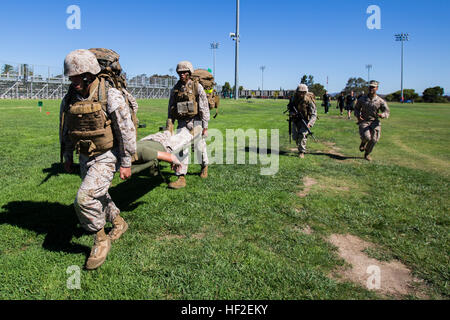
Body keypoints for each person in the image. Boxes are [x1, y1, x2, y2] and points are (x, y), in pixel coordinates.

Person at [59, 49, 136, 270]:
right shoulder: (70, 98)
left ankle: (100, 239)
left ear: (89, 74)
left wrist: (126, 162)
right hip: (85, 155)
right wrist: (67, 155)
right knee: (99, 194)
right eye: (70, 77)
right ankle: (119, 222)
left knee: (84, 199)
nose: (73, 81)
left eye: (77, 76)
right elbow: (65, 129)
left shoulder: (110, 95)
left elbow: (125, 130)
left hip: (106, 155)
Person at [166, 61, 210, 189]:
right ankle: (181, 176)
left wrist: (205, 126)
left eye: (185, 72)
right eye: (180, 72)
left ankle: (204, 166)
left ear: (190, 73)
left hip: (196, 121)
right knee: (180, 148)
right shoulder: (175, 89)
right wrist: (170, 124)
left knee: (199, 147)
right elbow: (171, 107)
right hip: (181, 122)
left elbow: (204, 107)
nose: (182, 74)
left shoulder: (197, 87)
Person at [132, 126, 203, 176]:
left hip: (162, 145)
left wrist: (170, 158)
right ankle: (170, 131)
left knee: (180, 140)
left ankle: (190, 134)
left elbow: (143, 151)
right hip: (147, 141)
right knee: (167, 135)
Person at [354, 80, 390, 161]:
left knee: (374, 139)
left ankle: (367, 154)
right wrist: (358, 117)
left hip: (375, 122)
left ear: (377, 88)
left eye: (373, 87)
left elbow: (386, 111)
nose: (371, 88)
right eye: (370, 87)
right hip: (364, 121)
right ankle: (363, 142)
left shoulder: (380, 100)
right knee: (367, 137)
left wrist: (382, 115)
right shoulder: (362, 99)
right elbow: (356, 109)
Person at [288, 84, 317, 158]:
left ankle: (302, 152)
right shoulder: (294, 98)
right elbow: (289, 107)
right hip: (295, 120)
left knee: (302, 134)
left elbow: (314, 113)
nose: (301, 94)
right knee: (295, 137)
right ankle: (299, 146)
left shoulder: (309, 100)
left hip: (306, 120)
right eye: (300, 92)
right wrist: (292, 113)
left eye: (303, 92)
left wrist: (310, 124)